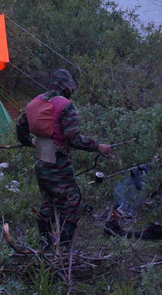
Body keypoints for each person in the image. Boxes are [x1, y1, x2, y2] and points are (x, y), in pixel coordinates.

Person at [16, 69, 112, 250]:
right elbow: (72, 139)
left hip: (41, 162)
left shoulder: (35, 102)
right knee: (73, 203)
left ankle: (45, 244)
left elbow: (20, 128)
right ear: (67, 86)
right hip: (58, 163)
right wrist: (98, 147)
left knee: (50, 201)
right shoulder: (66, 106)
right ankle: (67, 248)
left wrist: (31, 142)